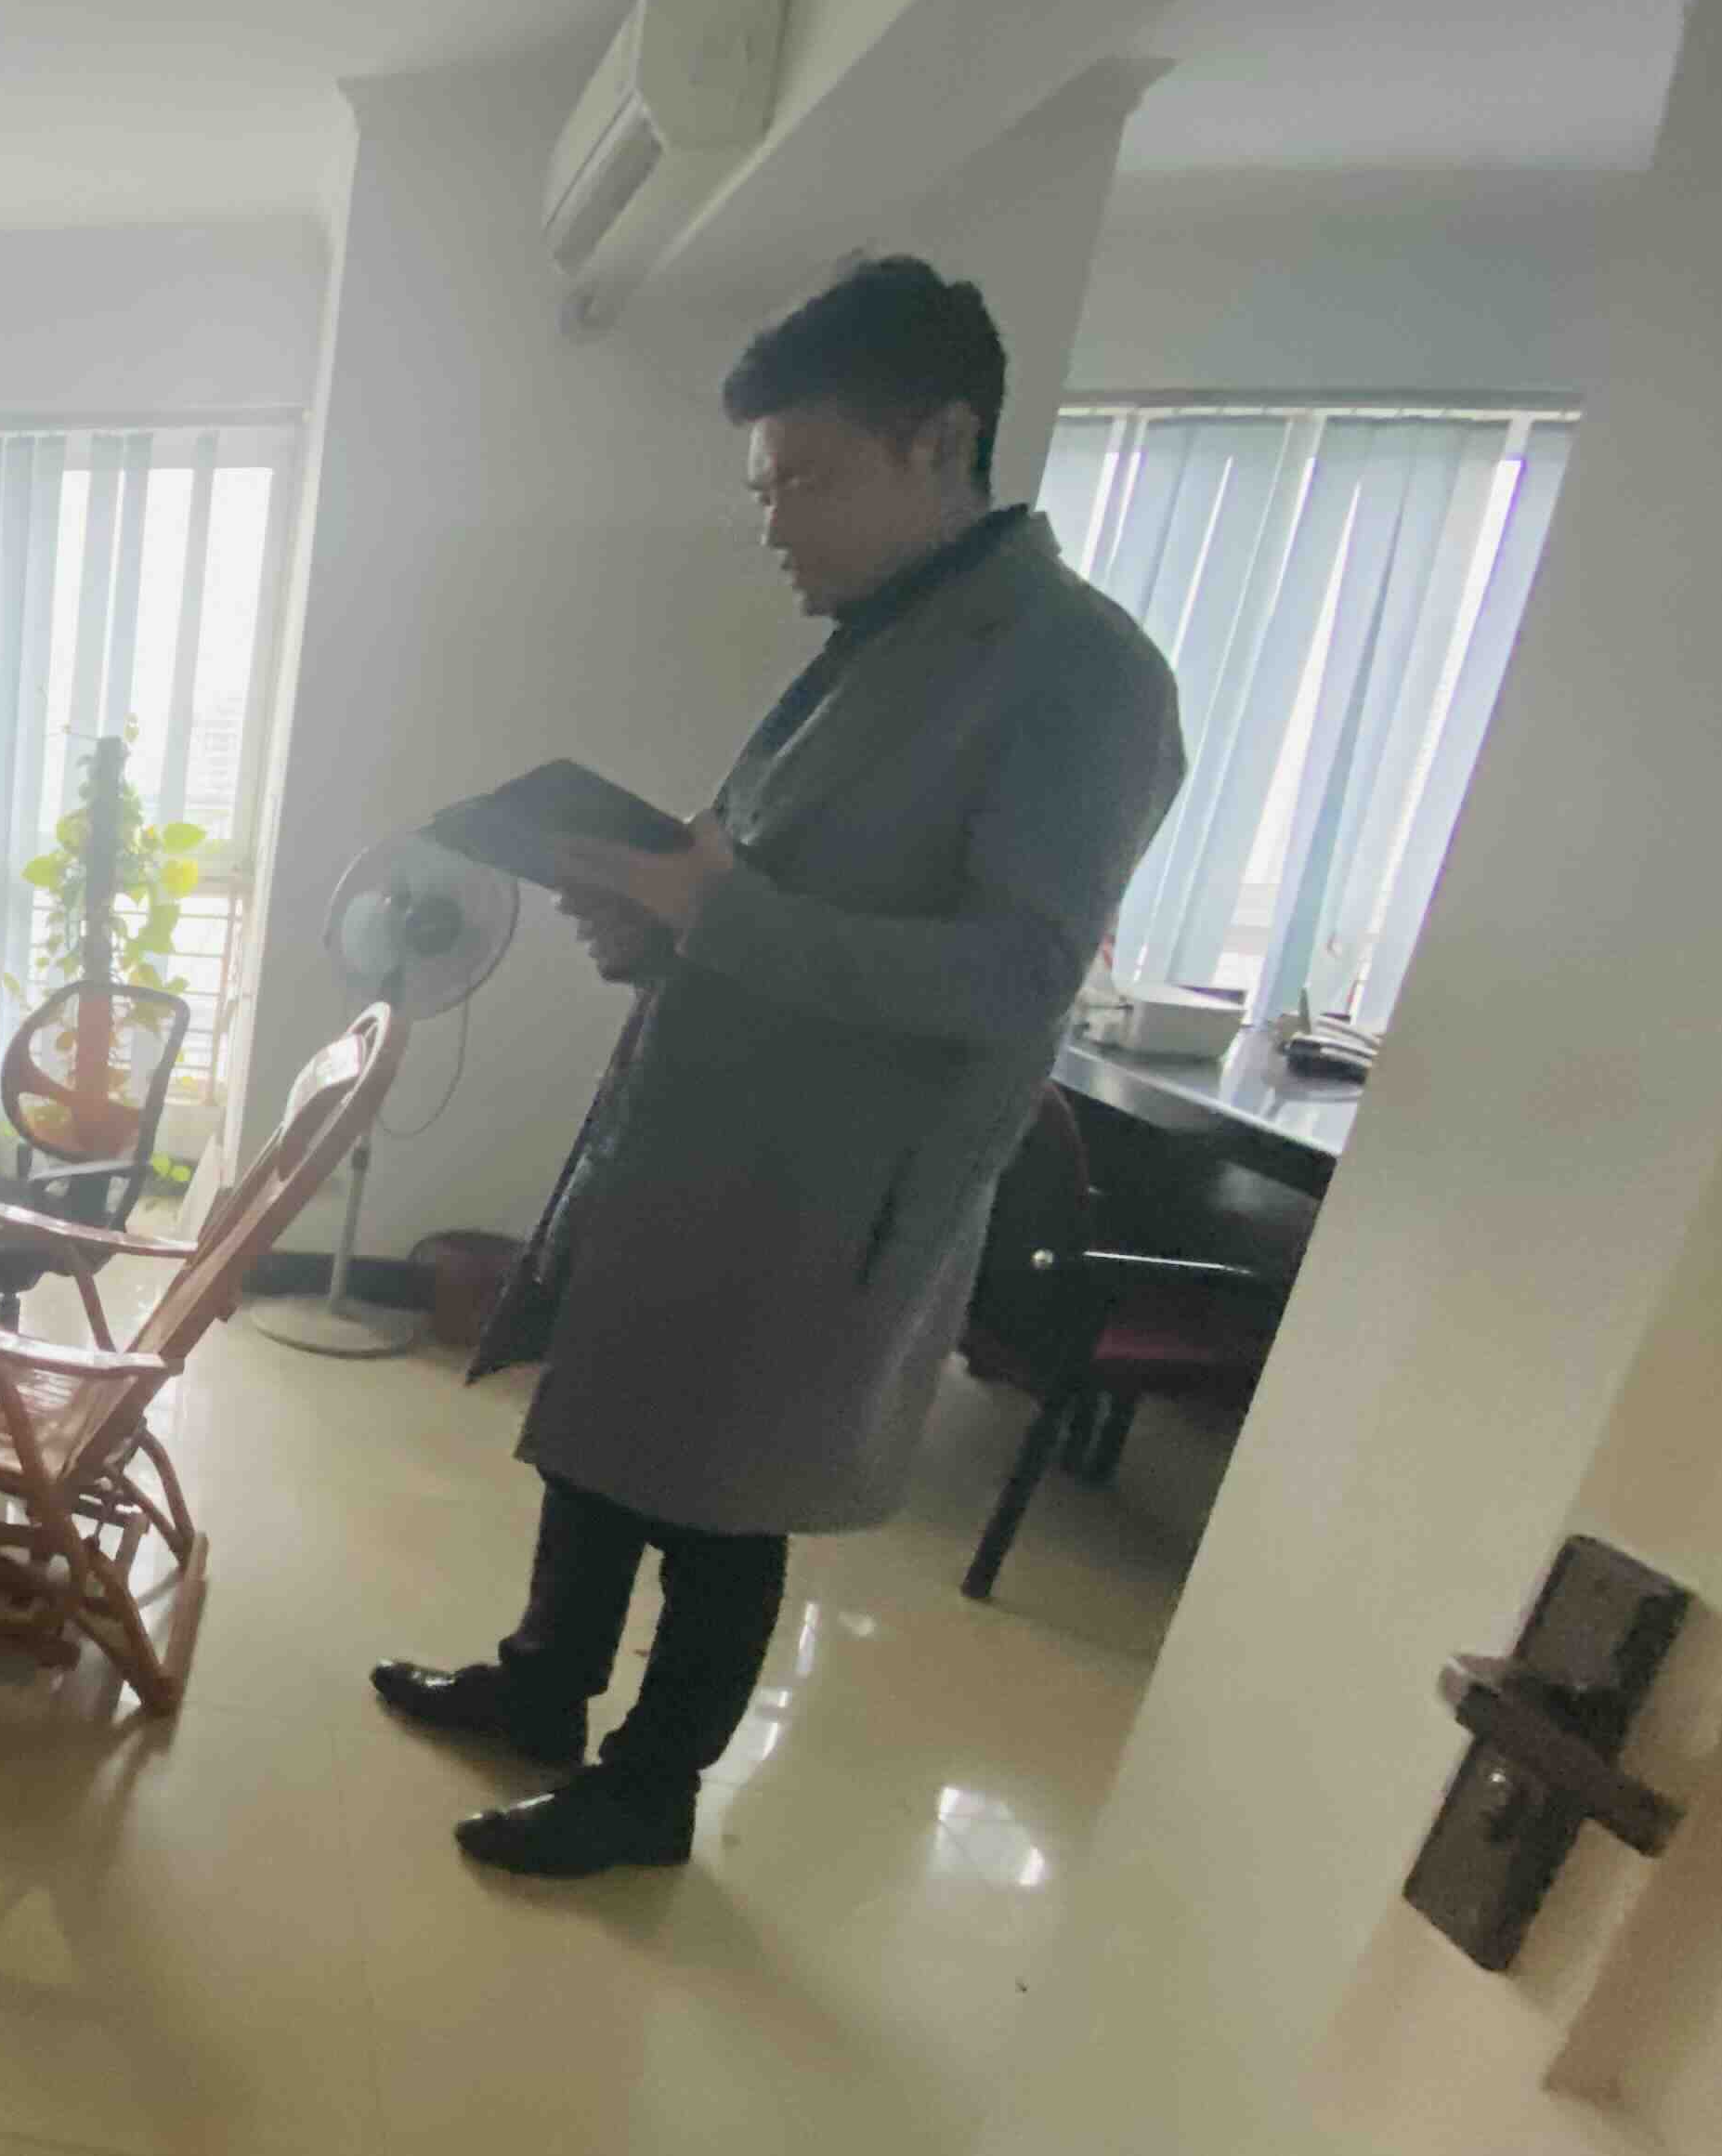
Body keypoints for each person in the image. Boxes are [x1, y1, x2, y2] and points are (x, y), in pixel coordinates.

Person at [373, 255, 1187, 1877]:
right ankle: (543, 1687)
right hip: (695, 1130)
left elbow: (1019, 977)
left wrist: (716, 915)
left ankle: (650, 1791)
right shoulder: (885, 639)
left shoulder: (1080, 671)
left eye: (806, 480)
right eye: (762, 489)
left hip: (832, 1182)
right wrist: (658, 925)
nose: (774, 524)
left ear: (940, 443)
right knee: (603, 1431)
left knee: (719, 1499)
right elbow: (772, 887)